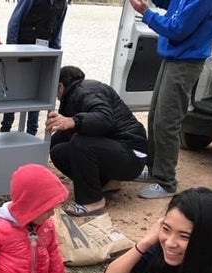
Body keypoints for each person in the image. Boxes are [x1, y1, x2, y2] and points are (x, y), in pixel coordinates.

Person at [129, 0, 212, 199]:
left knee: (167, 121)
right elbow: (174, 4)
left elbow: (178, 29)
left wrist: (146, 13)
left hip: (185, 62)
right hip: (173, 57)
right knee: (156, 116)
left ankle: (166, 181)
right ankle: (155, 169)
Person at [46, 66, 148, 216]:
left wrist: (73, 121)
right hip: (119, 150)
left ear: (60, 86)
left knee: (80, 143)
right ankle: (109, 182)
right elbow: (67, 134)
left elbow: (105, 119)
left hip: (132, 153)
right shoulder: (75, 95)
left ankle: (92, 202)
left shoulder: (86, 91)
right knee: (58, 150)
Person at [0, 0, 67, 136]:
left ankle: (31, 133)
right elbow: (14, 21)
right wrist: (11, 51)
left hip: (44, 53)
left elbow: (57, 28)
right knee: (13, 91)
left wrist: (55, 56)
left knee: (37, 91)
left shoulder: (63, 2)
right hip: (21, 50)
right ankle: (5, 132)